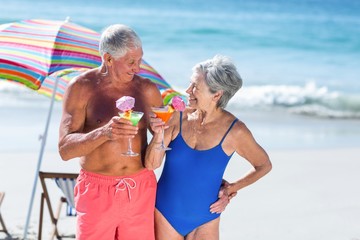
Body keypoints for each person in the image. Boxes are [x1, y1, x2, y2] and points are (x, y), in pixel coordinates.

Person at [146, 55, 272, 240]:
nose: (188, 90)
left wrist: (231, 189)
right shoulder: (177, 117)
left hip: (206, 219)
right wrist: (158, 134)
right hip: (165, 214)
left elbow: (264, 165)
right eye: (190, 84)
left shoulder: (235, 131)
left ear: (217, 94)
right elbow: (151, 164)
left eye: (195, 87)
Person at [58, 24, 163, 240]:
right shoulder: (81, 88)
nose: (138, 68)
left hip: (140, 188)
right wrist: (104, 133)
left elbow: (166, 139)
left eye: (140, 60)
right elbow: (65, 150)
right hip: (96, 190)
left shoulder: (147, 89)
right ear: (108, 58)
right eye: (131, 62)